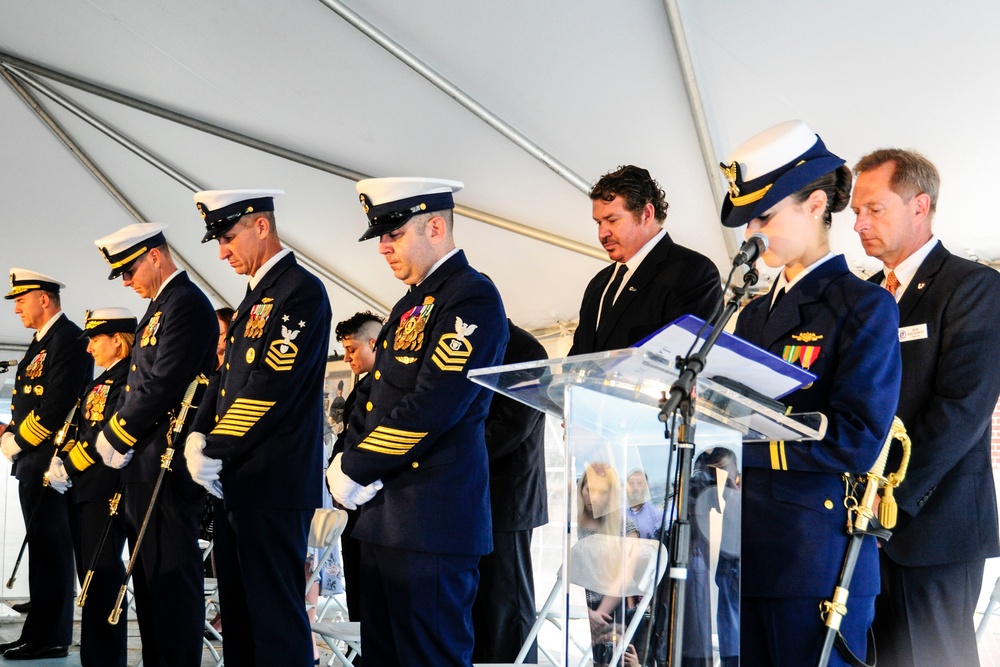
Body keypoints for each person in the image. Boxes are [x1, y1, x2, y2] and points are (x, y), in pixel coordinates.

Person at [720, 120, 902, 666]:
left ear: (816, 203)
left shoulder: (863, 307)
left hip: (815, 558)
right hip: (744, 553)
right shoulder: (748, 314)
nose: (752, 231)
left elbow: (857, 438)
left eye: (764, 215)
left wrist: (742, 447)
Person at [327, 177, 508, 666]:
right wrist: (347, 457)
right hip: (388, 520)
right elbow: (374, 398)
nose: (383, 247)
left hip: (432, 521)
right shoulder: (413, 302)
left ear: (434, 226)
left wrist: (356, 466)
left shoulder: (470, 297)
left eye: (394, 233)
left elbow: (436, 403)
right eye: (381, 237)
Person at [851, 149, 1000, 666]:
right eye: (855, 212)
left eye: (873, 209)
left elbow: (960, 410)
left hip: (933, 525)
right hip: (860, 528)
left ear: (920, 206)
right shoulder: (864, 298)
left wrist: (886, 501)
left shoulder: (973, 287)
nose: (859, 224)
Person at [184, 189, 332, 667]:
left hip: (273, 482)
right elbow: (226, 378)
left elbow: (271, 385)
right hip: (240, 483)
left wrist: (215, 446)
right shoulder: (257, 296)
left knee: (276, 623)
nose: (222, 252)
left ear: (261, 226)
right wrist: (197, 435)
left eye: (228, 238)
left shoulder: (299, 291)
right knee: (241, 620)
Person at [92, 223, 218, 666]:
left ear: (155, 257)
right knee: (148, 584)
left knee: (171, 583)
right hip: (143, 464)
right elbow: (138, 382)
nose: (126, 281)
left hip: (165, 463)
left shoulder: (185, 305)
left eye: (129, 270)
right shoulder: (161, 307)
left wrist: (116, 432)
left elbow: (163, 383)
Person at [0, 269, 92, 660]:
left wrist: (17, 440)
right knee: (42, 549)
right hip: (33, 460)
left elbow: (56, 407)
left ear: (43, 298)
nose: (17, 308)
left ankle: (50, 637)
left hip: (48, 462)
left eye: (21, 300)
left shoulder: (68, 339)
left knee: (52, 551)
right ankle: (38, 631)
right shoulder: (44, 341)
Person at [47, 307, 136, 667]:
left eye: (95, 339)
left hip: (106, 489)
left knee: (101, 577)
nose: (89, 349)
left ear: (117, 340)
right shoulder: (101, 380)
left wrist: (69, 465)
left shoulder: (127, 378)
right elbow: (83, 430)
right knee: (90, 577)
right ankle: (94, 657)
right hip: (85, 488)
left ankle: (105, 659)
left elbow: (105, 436)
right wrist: (61, 457)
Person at [569, 165, 722, 355]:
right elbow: (578, 356)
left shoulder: (692, 271)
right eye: (598, 222)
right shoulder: (598, 284)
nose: (602, 233)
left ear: (646, 214)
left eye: (612, 220)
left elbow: (683, 356)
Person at [471, 318, 548, 664]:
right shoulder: (480, 341)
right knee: (479, 604)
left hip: (509, 496)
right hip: (472, 492)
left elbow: (512, 426)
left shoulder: (526, 350)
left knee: (508, 604)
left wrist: (455, 455)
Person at [330, 310, 384, 628]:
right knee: (357, 585)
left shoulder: (389, 387)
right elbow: (346, 439)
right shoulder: (360, 389)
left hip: (373, 501)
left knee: (373, 591)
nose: (348, 357)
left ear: (374, 343)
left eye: (353, 349)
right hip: (352, 501)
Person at [576, 463, 640, 667]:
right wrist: (585, 613)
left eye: (602, 492)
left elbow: (624, 576)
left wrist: (597, 617)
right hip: (575, 607)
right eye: (589, 490)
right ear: (581, 489)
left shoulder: (626, 528)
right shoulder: (570, 525)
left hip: (610, 610)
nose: (594, 497)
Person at [624, 470, 664, 541]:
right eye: (631, 484)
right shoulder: (617, 513)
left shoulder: (657, 515)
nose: (635, 488)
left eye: (639, 484)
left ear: (646, 487)